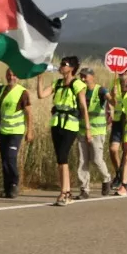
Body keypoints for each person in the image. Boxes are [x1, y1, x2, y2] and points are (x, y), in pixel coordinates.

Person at [37, 56, 88, 206]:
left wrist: (88, 128)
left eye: (64, 64)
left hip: (70, 125)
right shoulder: (58, 83)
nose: (61, 66)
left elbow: (83, 107)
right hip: (56, 123)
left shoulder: (77, 84)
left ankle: (65, 192)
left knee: (63, 156)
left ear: (71, 68)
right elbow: (41, 95)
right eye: (61, 64)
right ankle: (65, 191)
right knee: (60, 159)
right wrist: (40, 78)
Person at [0, 67, 31, 198]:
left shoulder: (22, 92)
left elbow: (28, 112)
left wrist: (30, 131)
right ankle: (7, 188)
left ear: (18, 77)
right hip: (2, 130)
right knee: (4, 160)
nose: (11, 77)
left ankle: (15, 183)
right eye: (9, 75)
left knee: (11, 157)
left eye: (14, 75)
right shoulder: (1, 90)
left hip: (16, 131)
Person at [76, 66, 112, 197]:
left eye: (85, 76)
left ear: (92, 77)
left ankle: (106, 178)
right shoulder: (80, 91)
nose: (82, 79)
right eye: (81, 76)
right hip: (82, 130)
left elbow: (111, 100)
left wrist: (113, 96)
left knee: (96, 160)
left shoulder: (100, 90)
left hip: (97, 131)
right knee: (82, 161)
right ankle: (84, 189)